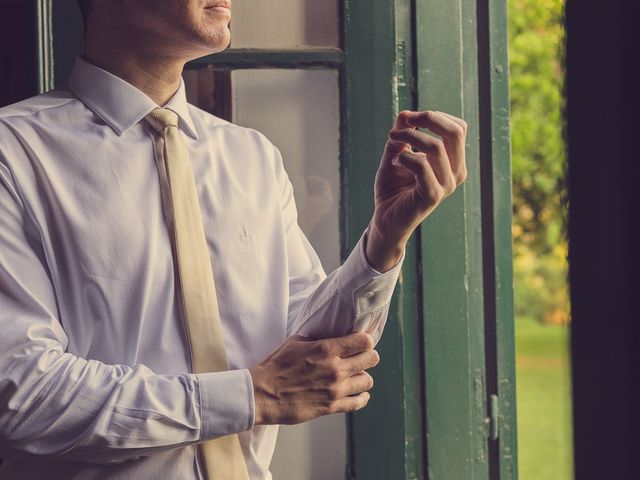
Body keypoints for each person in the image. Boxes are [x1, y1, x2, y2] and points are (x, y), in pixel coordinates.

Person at [0, 0, 467, 479]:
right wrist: (252, 396)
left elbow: (316, 352)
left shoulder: (252, 156)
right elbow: (21, 397)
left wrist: (385, 237)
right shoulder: (12, 154)